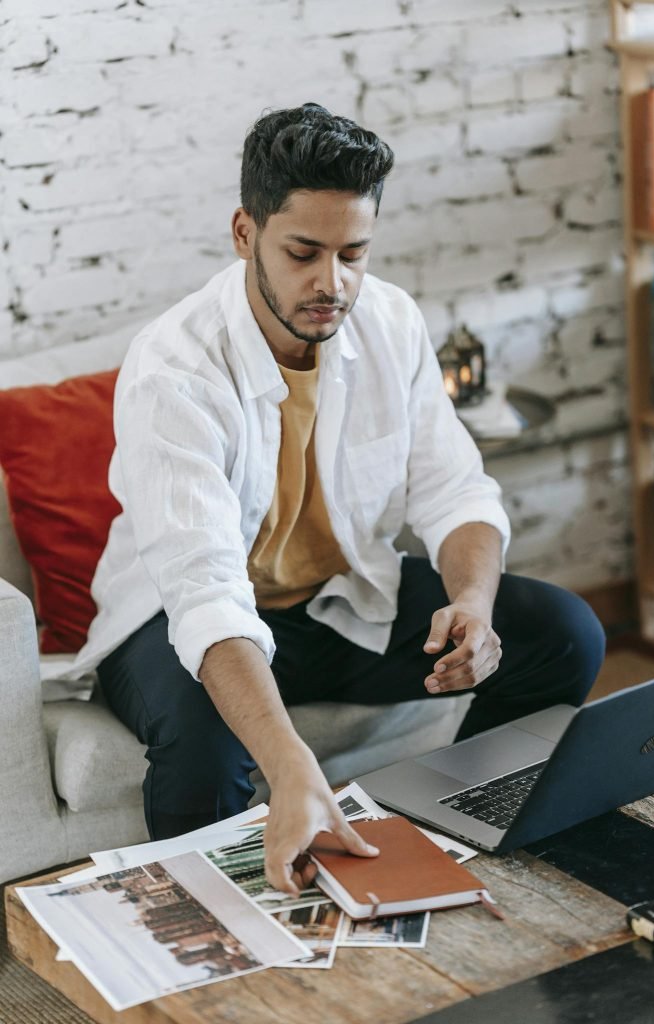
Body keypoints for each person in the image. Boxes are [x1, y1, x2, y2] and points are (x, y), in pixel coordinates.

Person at [76, 102, 605, 895]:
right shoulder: (172, 370)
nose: (333, 283)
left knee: (561, 632)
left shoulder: (387, 320)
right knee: (204, 748)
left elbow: (456, 489)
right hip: (177, 624)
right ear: (245, 234)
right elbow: (205, 596)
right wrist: (289, 768)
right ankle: (229, 937)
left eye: (353, 252)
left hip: (334, 605)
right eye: (304, 253)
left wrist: (471, 603)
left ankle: (464, 832)